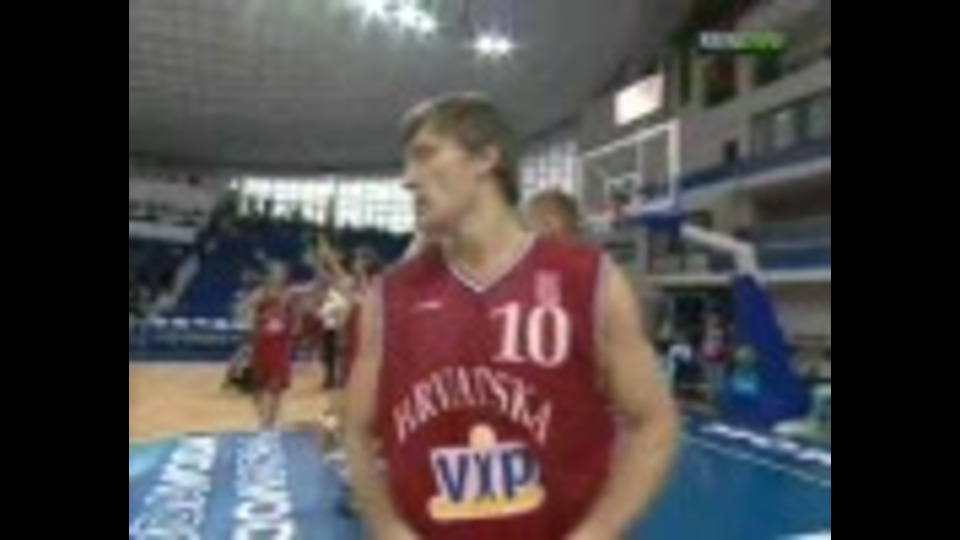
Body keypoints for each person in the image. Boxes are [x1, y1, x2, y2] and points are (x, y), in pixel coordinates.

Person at [345, 94, 679, 539]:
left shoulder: (589, 280)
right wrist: (388, 527)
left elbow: (654, 423)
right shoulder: (387, 296)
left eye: (425, 156)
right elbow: (355, 431)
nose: (408, 180)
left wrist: (595, 534)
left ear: (486, 158)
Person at [239, 262, 298, 430]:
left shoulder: (290, 293)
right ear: (269, 275)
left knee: (275, 387)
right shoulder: (260, 293)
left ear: (285, 276)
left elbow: (311, 290)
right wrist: (253, 316)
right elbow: (242, 309)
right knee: (257, 388)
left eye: (281, 273)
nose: (278, 276)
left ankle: (269, 424)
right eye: (275, 272)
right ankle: (264, 419)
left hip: (280, 348)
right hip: (261, 345)